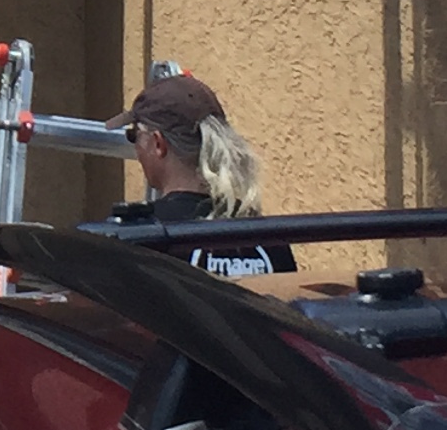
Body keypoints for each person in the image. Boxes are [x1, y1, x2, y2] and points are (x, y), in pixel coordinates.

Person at [92, 66, 295, 278]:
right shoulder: (267, 237)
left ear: (158, 143)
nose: (135, 147)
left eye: (134, 135)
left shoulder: (136, 236)